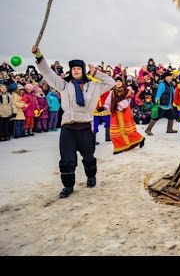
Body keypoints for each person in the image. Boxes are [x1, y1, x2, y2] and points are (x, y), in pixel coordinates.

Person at [31, 45, 115, 198]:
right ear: (71, 71)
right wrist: (39, 57)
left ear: (83, 70)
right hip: (68, 127)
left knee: (89, 157)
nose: (76, 70)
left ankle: (91, 176)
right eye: (73, 68)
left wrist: (96, 72)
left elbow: (111, 83)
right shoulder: (64, 85)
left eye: (79, 68)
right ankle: (68, 186)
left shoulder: (94, 86)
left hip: (85, 127)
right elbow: (48, 74)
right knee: (67, 159)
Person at [104, 76, 145, 154]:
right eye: (116, 81)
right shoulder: (112, 92)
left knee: (128, 130)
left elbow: (128, 100)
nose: (118, 83)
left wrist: (120, 105)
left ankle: (140, 139)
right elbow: (107, 102)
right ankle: (119, 146)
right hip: (115, 113)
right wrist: (106, 107)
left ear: (122, 82)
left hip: (125, 112)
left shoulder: (127, 91)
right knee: (115, 132)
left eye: (120, 81)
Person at [144, 71, 177, 136]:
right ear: (165, 77)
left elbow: (173, 93)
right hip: (162, 105)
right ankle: (148, 129)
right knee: (156, 117)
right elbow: (159, 92)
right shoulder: (162, 84)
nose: (170, 78)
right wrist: (157, 98)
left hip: (168, 105)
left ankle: (169, 129)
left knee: (172, 116)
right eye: (169, 77)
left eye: (171, 76)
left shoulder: (170, 84)